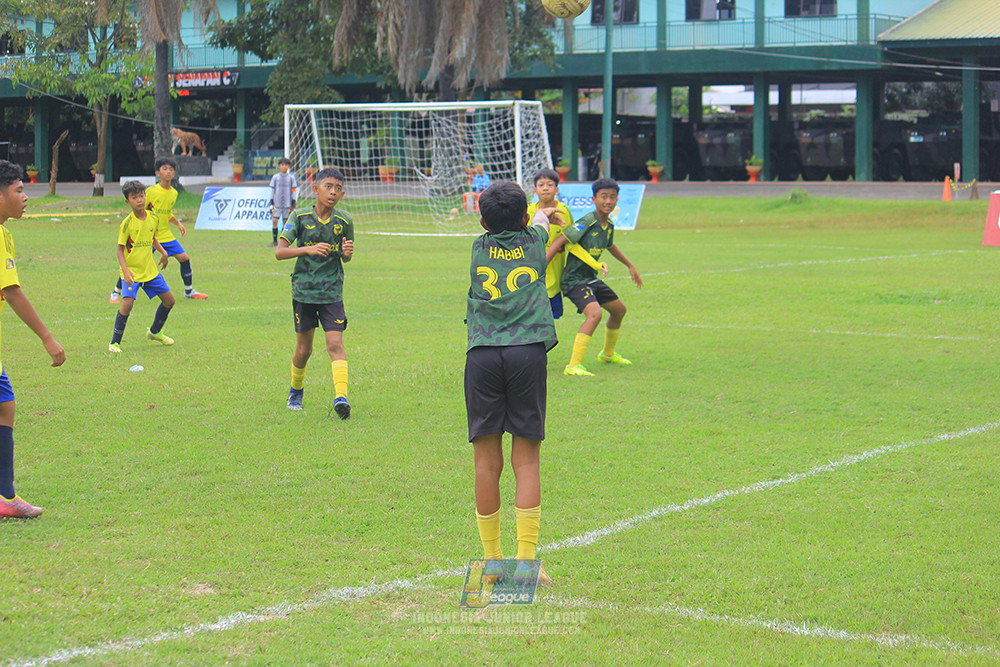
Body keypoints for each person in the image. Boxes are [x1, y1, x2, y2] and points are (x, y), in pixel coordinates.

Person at [466, 180, 558, 580]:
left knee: (487, 463)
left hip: (482, 355)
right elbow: (539, 221)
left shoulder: (477, 247)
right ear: (523, 218)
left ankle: (491, 561)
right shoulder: (537, 241)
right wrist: (542, 214)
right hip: (527, 352)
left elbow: (519, 221)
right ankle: (525, 563)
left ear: (483, 221)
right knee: (527, 460)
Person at [0, 160, 66, 518]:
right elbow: (11, 292)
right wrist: (47, 338)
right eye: (19, 190)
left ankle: (6, 498)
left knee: (4, 404)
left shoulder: (5, 232)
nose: (26, 196)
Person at [275, 167, 354, 419]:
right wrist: (307, 250)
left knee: (335, 344)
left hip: (332, 291)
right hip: (305, 291)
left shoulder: (344, 222)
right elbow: (280, 252)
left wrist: (347, 254)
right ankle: (295, 391)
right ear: (316, 189)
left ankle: (341, 398)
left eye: (338, 189)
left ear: (342, 195)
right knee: (304, 351)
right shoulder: (299, 216)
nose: (333, 192)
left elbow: (345, 256)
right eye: (328, 187)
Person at [546, 177, 643, 377]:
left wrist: (630, 265)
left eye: (612, 197)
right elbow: (560, 240)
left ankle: (607, 354)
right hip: (573, 280)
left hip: (590, 278)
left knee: (619, 311)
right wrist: (540, 267)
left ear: (617, 199)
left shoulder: (608, 225)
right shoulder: (587, 222)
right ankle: (573, 365)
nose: (608, 201)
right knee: (595, 314)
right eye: (604, 197)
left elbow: (610, 245)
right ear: (594, 199)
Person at [109, 157, 207, 303]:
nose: (168, 172)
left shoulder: (174, 193)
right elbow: (141, 209)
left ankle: (189, 291)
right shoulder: (150, 192)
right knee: (136, 261)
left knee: (184, 258)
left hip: (166, 234)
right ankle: (116, 292)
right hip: (149, 235)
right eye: (165, 169)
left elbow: (166, 212)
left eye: (171, 169)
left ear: (174, 173)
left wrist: (177, 223)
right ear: (158, 173)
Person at [527, 168, 606, 320]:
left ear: (556, 189)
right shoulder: (528, 212)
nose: (545, 188)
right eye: (541, 184)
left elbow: (571, 243)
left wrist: (595, 264)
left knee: (552, 322)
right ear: (535, 190)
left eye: (549, 185)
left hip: (554, 282)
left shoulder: (563, 211)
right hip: (532, 280)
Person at [108, 181, 175, 353]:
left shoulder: (153, 217)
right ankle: (114, 343)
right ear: (127, 202)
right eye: (134, 197)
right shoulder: (127, 223)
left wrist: (164, 253)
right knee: (127, 304)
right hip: (132, 272)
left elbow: (152, 237)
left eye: (141, 195)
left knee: (169, 301)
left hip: (150, 270)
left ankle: (155, 332)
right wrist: (126, 271)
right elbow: (119, 250)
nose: (139, 200)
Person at [269, 157, 297, 247]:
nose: (284, 167)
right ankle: (274, 240)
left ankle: (283, 241)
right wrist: (271, 201)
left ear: (289, 166)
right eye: (282, 165)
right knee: (274, 220)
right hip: (277, 203)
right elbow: (272, 190)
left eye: (286, 165)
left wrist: (293, 202)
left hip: (287, 204)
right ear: (279, 166)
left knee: (286, 222)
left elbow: (293, 190)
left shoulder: (291, 178)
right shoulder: (275, 177)